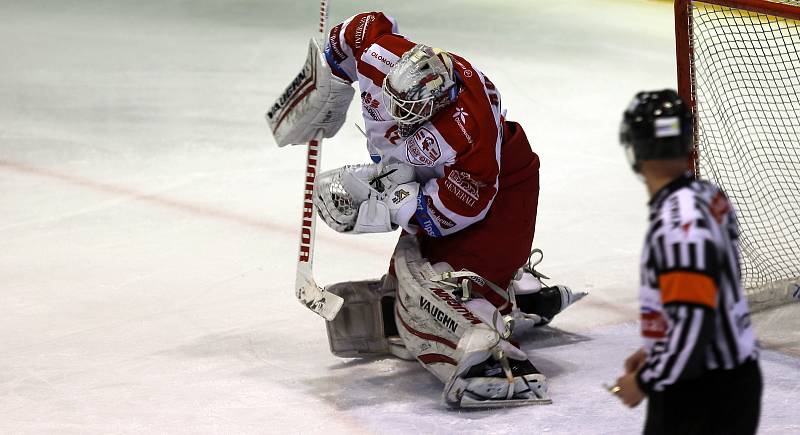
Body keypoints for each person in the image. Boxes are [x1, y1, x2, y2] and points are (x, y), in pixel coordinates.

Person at [267, 11, 584, 407]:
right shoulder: (383, 57)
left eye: (412, 115)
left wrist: (384, 203)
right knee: (411, 280)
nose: (399, 119)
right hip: (434, 178)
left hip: (505, 190)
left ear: (439, 102)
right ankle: (495, 297)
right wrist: (324, 86)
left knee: (442, 285)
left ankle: (495, 343)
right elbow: (356, 31)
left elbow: (447, 215)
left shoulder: (471, 135)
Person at [614, 89, 762, 434]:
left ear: (636, 148)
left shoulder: (678, 225)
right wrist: (658, 349)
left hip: (700, 393)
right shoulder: (708, 196)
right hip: (727, 382)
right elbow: (709, 299)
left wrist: (647, 380)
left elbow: (695, 322)